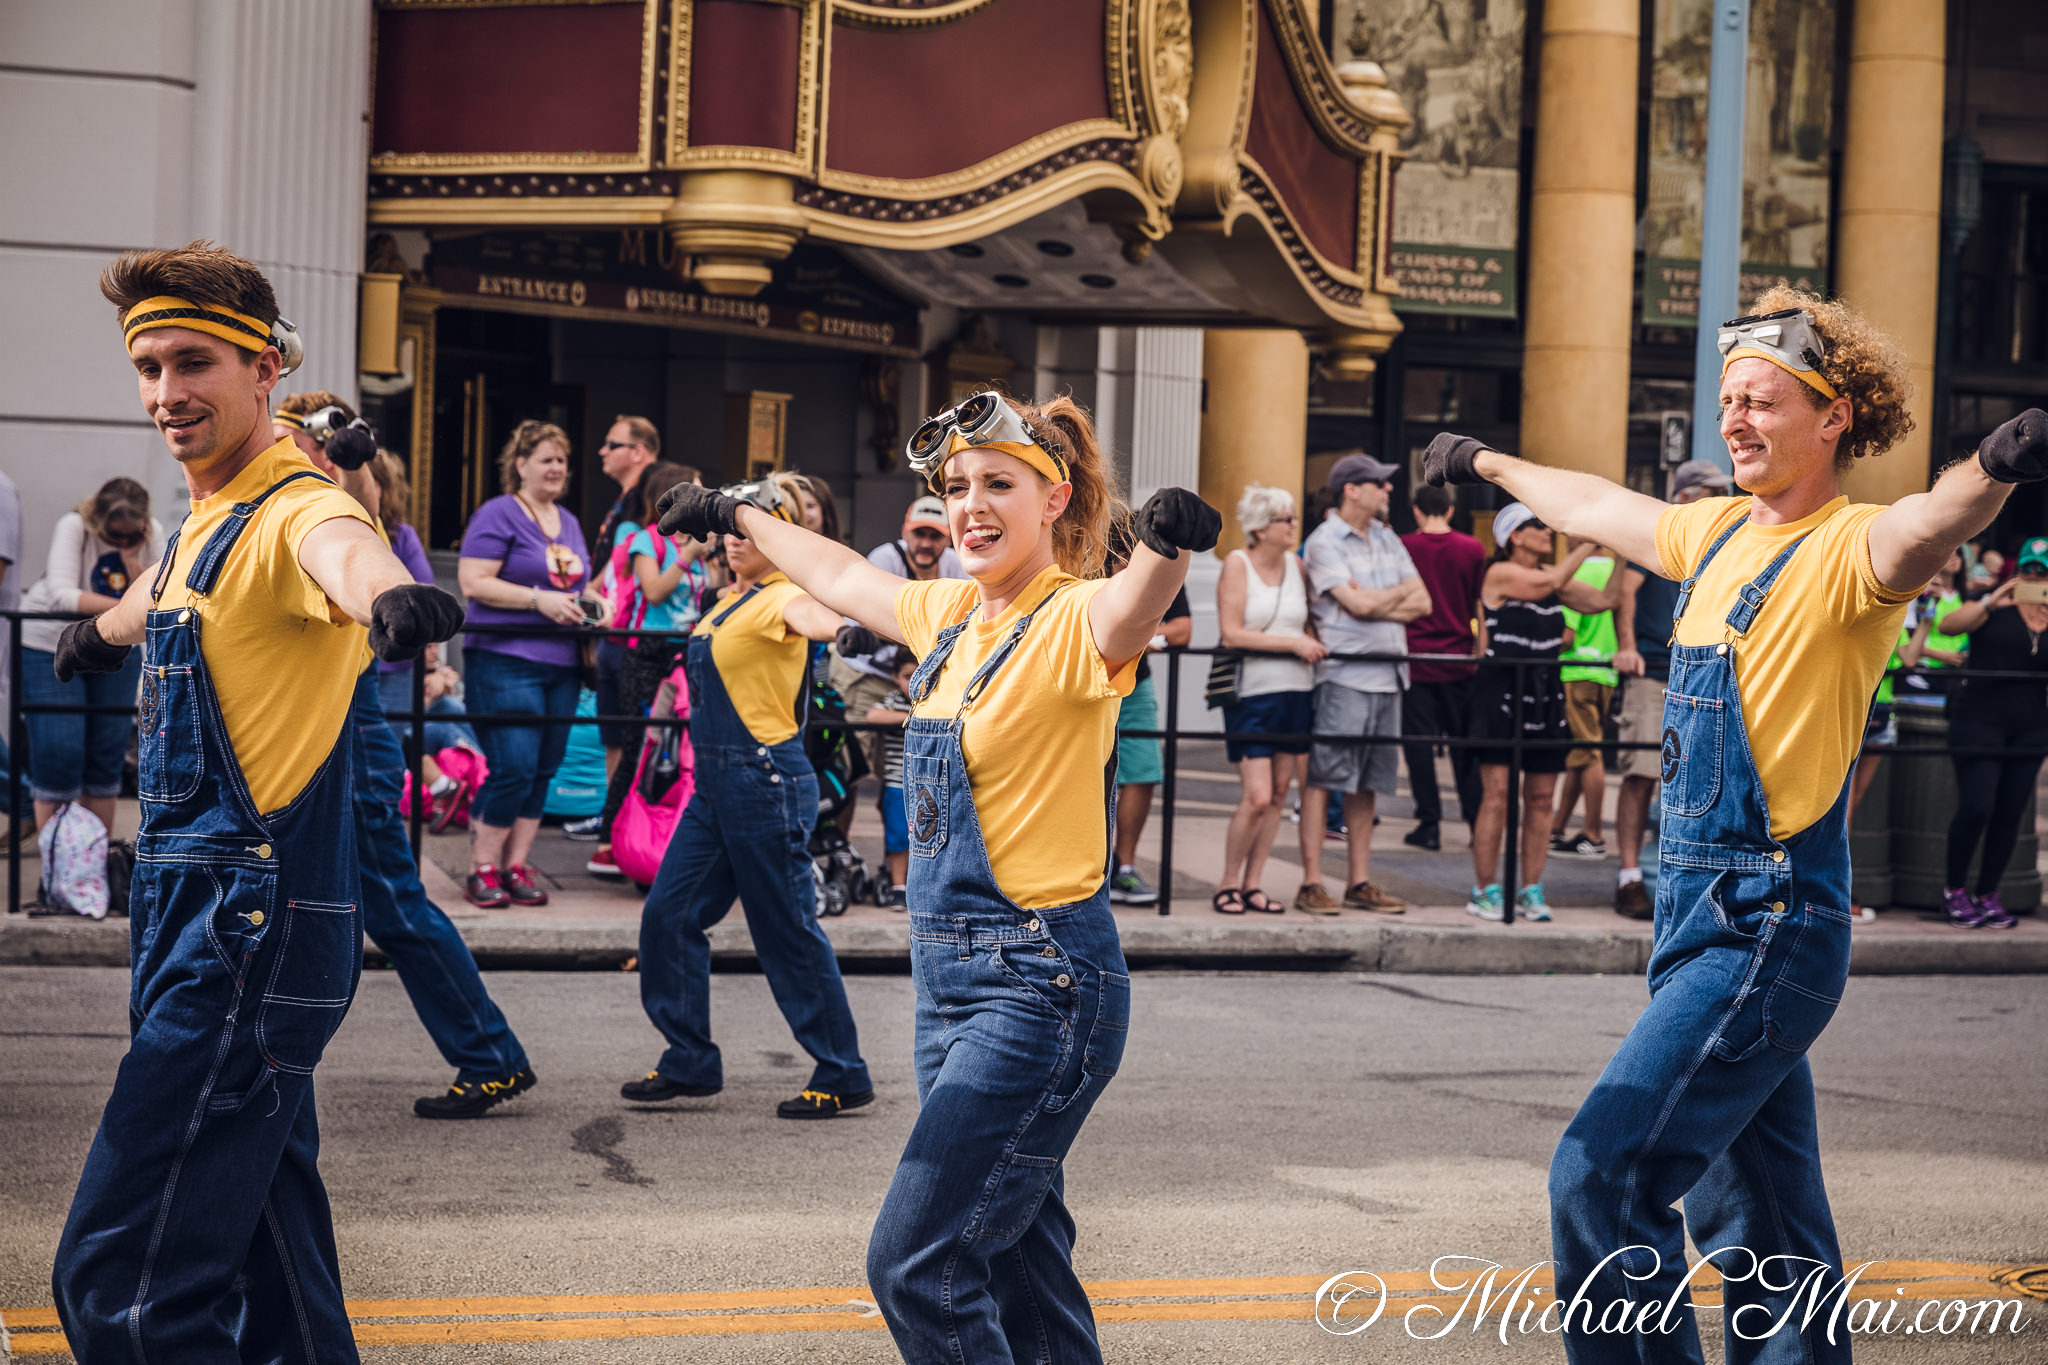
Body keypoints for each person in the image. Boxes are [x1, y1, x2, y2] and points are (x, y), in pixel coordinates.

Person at [1424, 285, 2045, 1364]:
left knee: (1600, 1175)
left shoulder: (1853, 553)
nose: (1736, 421)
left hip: (1768, 919)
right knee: (1763, 1226)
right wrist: (1482, 462)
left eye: (1761, 401)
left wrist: (1991, 467)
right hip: (1691, 918)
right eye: (1727, 402)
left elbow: (1925, 522)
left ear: (1831, 415)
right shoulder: (1706, 536)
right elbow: (1586, 499)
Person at [655, 389, 1217, 1364]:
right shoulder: (951, 613)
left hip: (1039, 984)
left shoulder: (1075, 619)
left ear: (1056, 500)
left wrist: (1165, 544)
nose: (970, 506)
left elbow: (1133, 611)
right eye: (955, 487)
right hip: (948, 983)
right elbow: (832, 567)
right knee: (1014, 1253)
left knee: (914, 1262)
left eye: (998, 483)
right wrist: (730, 512)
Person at [51, 242, 462, 1361]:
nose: (165, 393)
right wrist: (97, 634)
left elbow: (341, 551)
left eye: (193, 363)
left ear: (267, 367)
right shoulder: (205, 522)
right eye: (147, 367)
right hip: (194, 916)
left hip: (244, 931)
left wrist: (395, 600)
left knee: (124, 1282)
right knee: (275, 1258)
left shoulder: (293, 507)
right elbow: (163, 593)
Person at [274, 394, 536, 1119]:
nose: (303, 449)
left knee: (393, 905)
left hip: (351, 739)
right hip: (305, 739)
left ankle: (488, 1055)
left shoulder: (340, 506)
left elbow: (364, 512)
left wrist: (349, 463)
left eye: (316, 441)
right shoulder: (274, 502)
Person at [623, 472, 873, 1118]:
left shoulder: (783, 597)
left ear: (781, 532)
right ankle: (690, 1058)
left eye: (752, 522)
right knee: (668, 916)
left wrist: (845, 629)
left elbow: (819, 617)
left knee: (786, 930)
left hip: (763, 781)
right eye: (732, 522)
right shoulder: (726, 600)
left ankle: (842, 1070)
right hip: (716, 785)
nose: (735, 535)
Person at [456, 420, 591, 909]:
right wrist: (539, 600)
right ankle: (483, 867)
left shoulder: (569, 521)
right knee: (513, 765)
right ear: (520, 465)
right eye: (546, 459)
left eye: (562, 460)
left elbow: (578, 586)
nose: (557, 468)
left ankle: (516, 864)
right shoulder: (498, 513)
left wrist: (596, 602)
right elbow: (473, 581)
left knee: (543, 769)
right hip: (504, 658)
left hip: (563, 662)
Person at [1467, 505, 1618, 922]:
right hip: (1501, 694)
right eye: (1537, 526)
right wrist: (1589, 540)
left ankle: (1531, 889)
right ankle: (1483, 889)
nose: (1547, 531)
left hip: (1544, 693)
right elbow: (1546, 581)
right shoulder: (1499, 574)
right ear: (1514, 536)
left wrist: (1622, 552)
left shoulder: (1556, 581)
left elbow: (1604, 600)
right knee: (1496, 797)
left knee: (1539, 798)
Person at [1296, 453, 1429, 914]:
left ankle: (1359, 881)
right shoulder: (1324, 541)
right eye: (1379, 483)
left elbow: (1423, 601)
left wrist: (1374, 600)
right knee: (1323, 778)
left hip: (1390, 673)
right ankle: (1312, 881)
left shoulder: (1388, 537)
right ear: (1352, 489)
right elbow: (1355, 606)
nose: (1388, 490)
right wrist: (1381, 599)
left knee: (1368, 785)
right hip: (1346, 674)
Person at [1610, 459, 1730, 919]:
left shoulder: (1720, 540)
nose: (1723, 498)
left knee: (1692, 781)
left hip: (1697, 674)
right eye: (1712, 490)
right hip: (1651, 668)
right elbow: (1624, 592)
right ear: (1684, 495)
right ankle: (1628, 877)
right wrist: (1625, 646)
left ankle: (1677, 885)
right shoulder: (1657, 533)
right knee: (1641, 774)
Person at [18, 478, 164, 835]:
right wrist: (129, 609)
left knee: (106, 758)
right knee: (59, 754)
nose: (124, 541)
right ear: (99, 524)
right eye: (116, 537)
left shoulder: (153, 531)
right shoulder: (75, 526)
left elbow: (160, 592)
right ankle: (59, 872)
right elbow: (62, 597)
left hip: (116, 644)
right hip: (51, 643)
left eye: (132, 536)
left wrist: (132, 560)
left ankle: (93, 867)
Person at [588, 460, 712, 879]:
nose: (703, 498)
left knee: (677, 748)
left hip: (683, 652)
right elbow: (655, 593)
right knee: (638, 744)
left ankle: (656, 835)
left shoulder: (697, 544)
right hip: (645, 653)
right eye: (695, 491)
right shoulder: (647, 540)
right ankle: (608, 840)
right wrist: (688, 557)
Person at [1925, 535, 2048, 930]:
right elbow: (1947, 624)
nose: (2035, 576)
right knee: (1978, 806)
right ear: (2017, 571)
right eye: (2029, 568)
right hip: (1979, 719)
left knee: (2010, 813)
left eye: (2042, 571)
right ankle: (1955, 891)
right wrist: (1991, 602)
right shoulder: (1993, 604)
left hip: (2030, 727)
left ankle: (1987, 893)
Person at [1215, 484, 1324, 914]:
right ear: (1261, 528)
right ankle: (1227, 882)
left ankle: (1253, 884)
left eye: (1294, 518)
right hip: (1252, 692)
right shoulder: (1237, 564)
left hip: (1298, 690)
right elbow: (1232, 633)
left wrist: (1306, 641)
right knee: (1257, 795)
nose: (1294, 526)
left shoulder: (1298, 566)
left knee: (1280, 792)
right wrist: (1294, 645)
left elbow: (1309, 623)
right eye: (1286, 519)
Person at [832, 494, 967, 792]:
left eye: (936, 536)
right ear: (905, 533)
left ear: (948, 539)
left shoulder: (957, 565)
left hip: (922, 678)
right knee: (850, 757)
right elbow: (870, 618)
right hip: (866, 671)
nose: (926, 543)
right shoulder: (886, 558)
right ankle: (839, 836)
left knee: (920, 756)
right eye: (920, 534)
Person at [580, 415, 662, 835]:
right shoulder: (623, 502)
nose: (602, 452)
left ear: (638, 453)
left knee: (634, 737)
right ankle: (614, 819)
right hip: (613, 631)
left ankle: (629, 823)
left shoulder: (652, 495)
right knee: (613, 731)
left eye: (611, 444)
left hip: (637, 636)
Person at [1399, 482, 1486, 850]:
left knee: (1418, 746)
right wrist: (1480, 651)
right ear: (1450, 510)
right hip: (1460, 660)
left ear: (1416, 510)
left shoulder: (1404, 547)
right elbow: (1480, 604)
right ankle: (1475, 821)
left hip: (1415, 658)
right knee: (1464, 747)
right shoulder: (1472, 548)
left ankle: (1429, 823)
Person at [1107, 541, 1192, 906]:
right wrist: (1148, 630)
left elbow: (1184, 631)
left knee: (1143, 772)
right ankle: (1090, 870)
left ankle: (1123, 869)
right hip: (1092, 683)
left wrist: (1143, 631)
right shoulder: (1094, 561)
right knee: (1085, 776)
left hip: (1137, 685)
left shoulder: (1166, 565)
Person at [1548, 538, 1620, 859]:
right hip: (1606, 670)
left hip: (1576, 671)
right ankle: (1557, 828)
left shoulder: (1576, 573)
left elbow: (1567, 634)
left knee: (1588, 753)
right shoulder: (1611, 569)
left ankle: (1593, 834)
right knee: (1580, 753)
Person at [863, 644, 920, 907]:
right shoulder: (896, 701)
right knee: (898, 836)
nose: (913, 682)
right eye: (908, 676)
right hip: (898, 783)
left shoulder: (935, 699)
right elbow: (872, 715)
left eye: (919, 674)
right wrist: (911, 716)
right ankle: (899, 886)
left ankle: (918, 884)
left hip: (926, 785)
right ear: (896, 677)